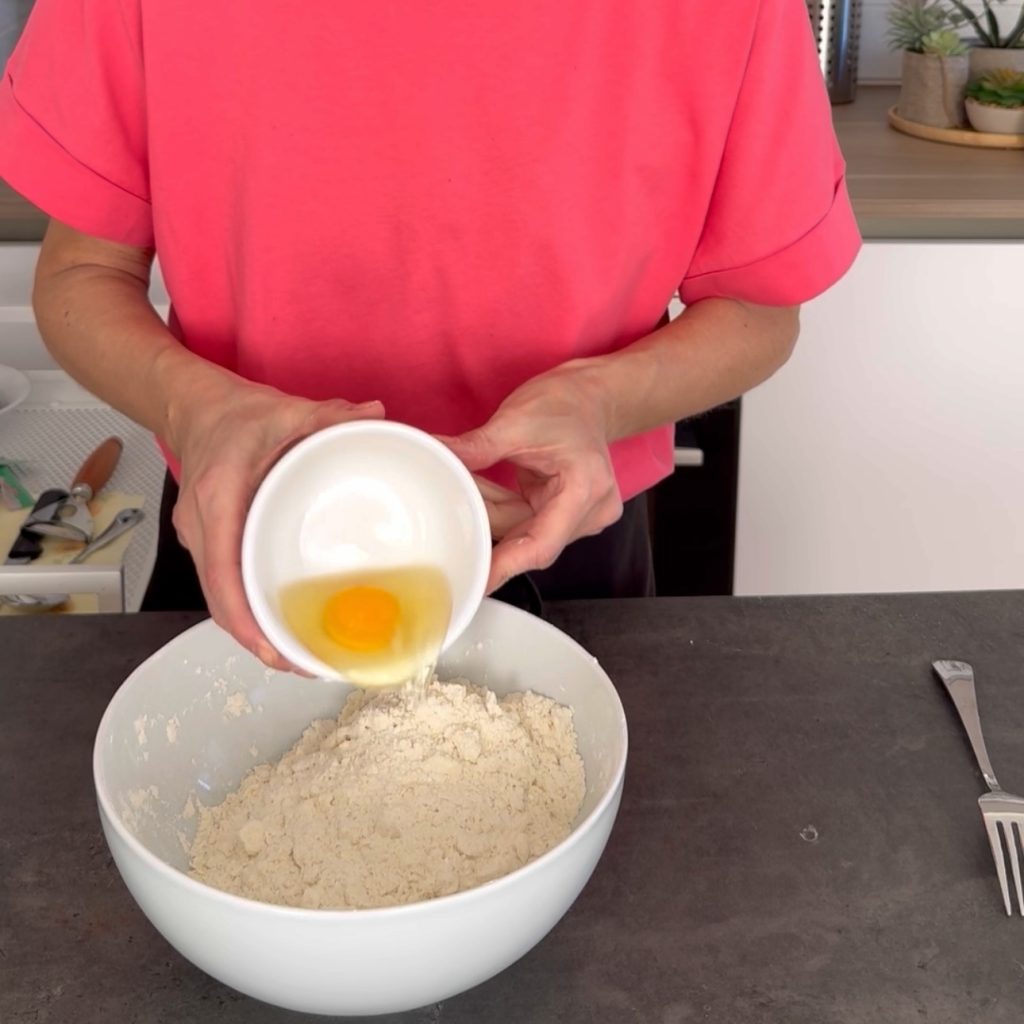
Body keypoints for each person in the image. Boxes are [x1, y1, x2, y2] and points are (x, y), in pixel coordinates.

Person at [0, 0, 860, 669]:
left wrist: (601, 401)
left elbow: (758, 310)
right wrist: (194, 409)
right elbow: (82, 279)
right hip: (238, 542)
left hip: (561, 548)